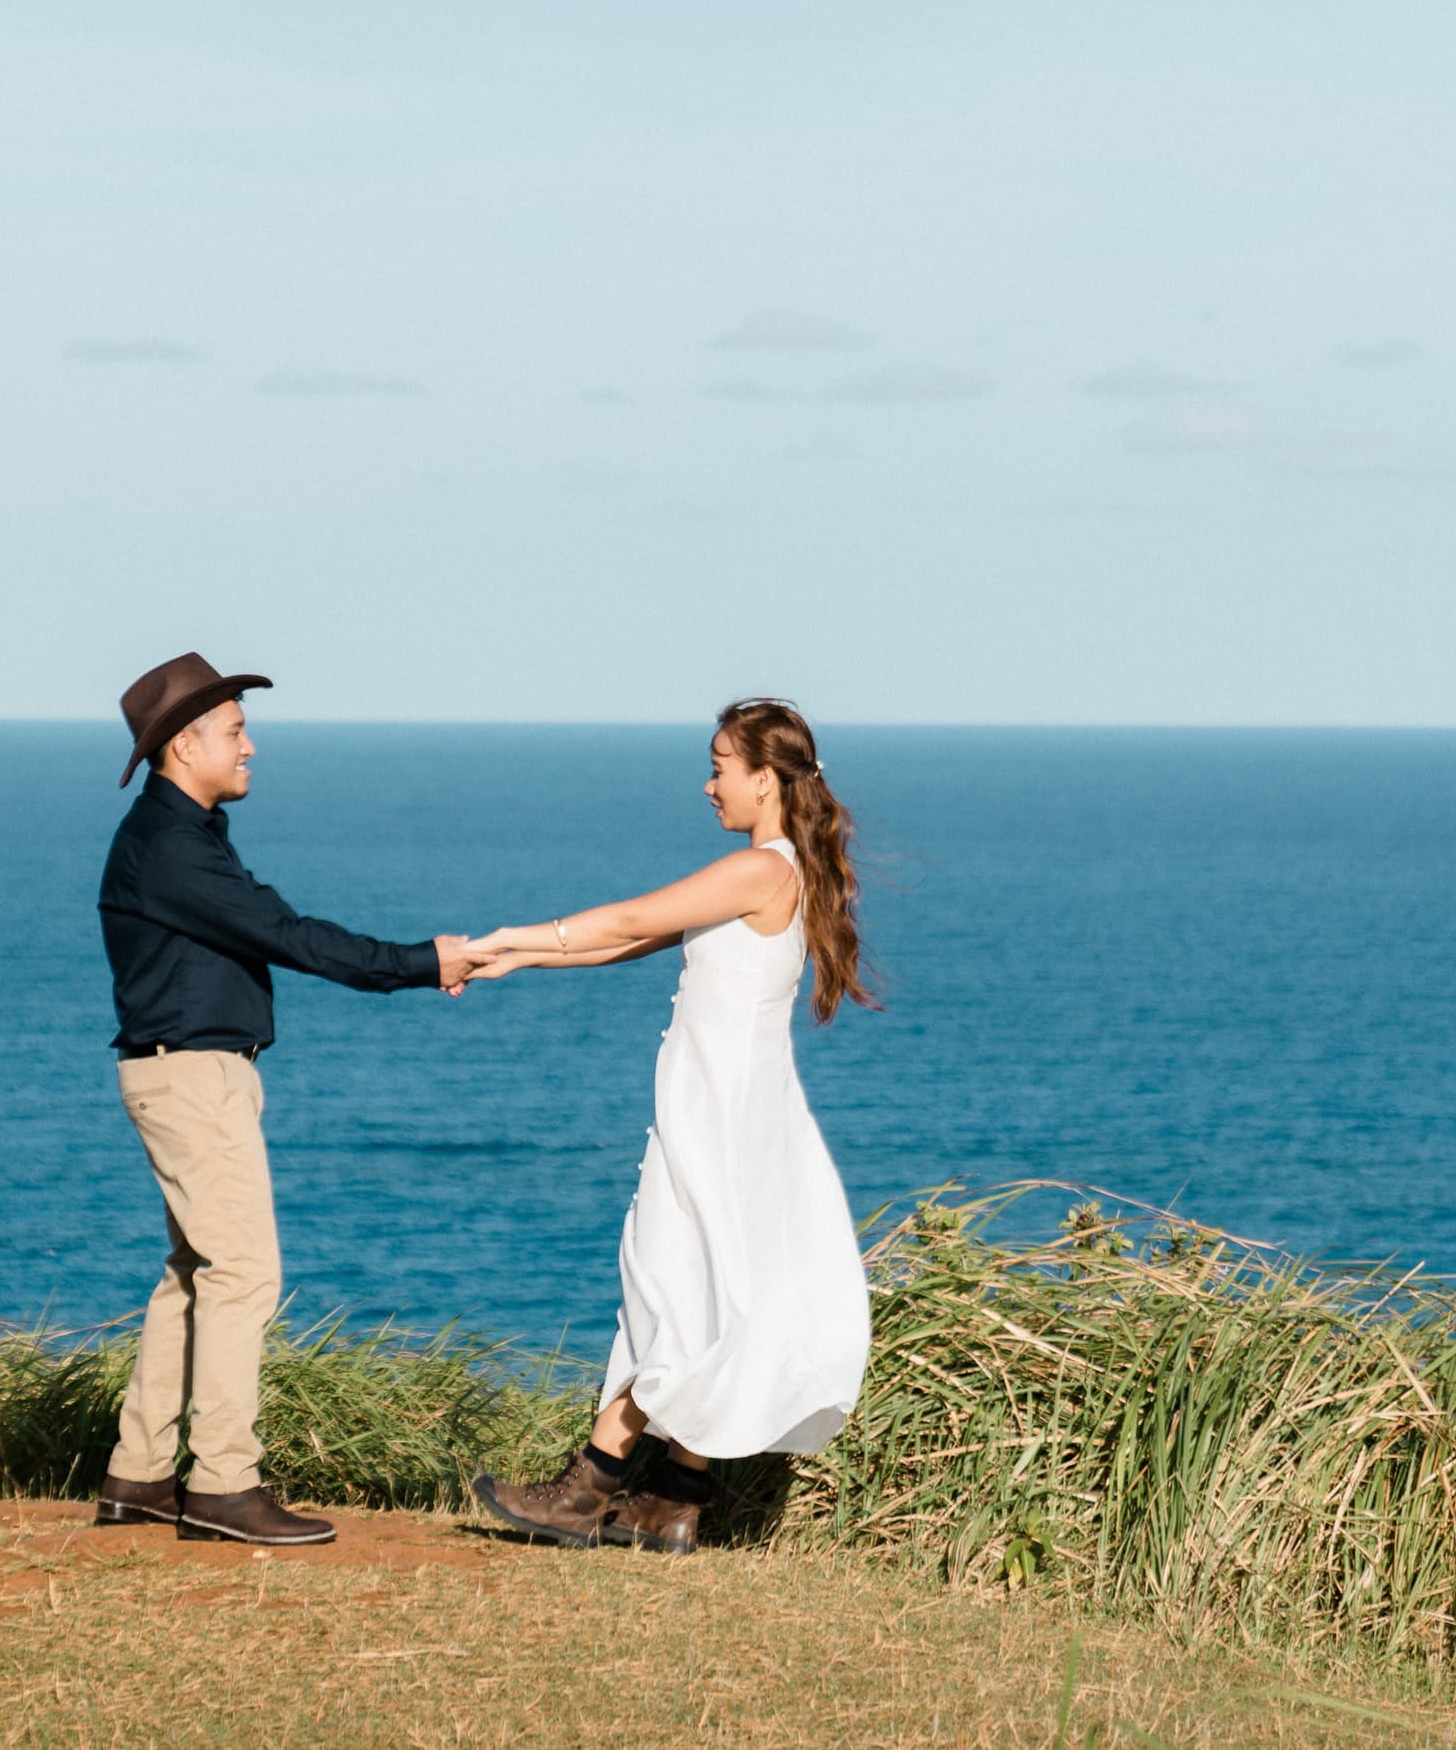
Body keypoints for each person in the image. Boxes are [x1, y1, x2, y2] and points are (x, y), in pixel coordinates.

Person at [460, 697, 876, 1554]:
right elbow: (630, 942)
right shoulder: (778, 871)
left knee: (667, 1278)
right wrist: (520, 956)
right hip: (737, 1107)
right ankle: (675, 1499)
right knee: (704, 1285)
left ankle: (591, 1484)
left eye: (720, 764)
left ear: (764, 779)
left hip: (717, 1112)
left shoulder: (762, 869)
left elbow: (630, 917)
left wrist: (505, 930)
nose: (708, 782)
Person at [92, 651, 480, 1548]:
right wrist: (423, 962)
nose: (251, 746)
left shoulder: (177, 836)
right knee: (244, 1273)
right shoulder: (173, 847)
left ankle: (139, 1474)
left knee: (194, 1275)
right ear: (184, 744)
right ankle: (224, 1483)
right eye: (233, 731)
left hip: (180, 1071)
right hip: (193, 1077)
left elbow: (273, 927)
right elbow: (290, 935)